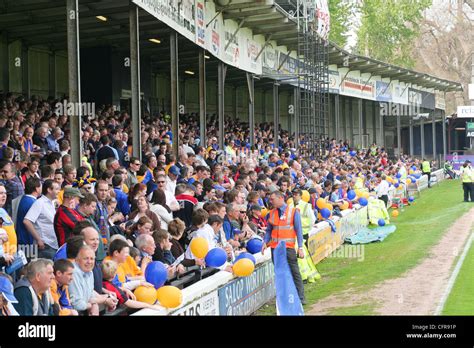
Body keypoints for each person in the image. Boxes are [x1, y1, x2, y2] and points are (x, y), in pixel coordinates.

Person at [261, 190, 306, 305]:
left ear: (281, 198)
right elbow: (269, 230)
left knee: (294, 272)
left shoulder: (293, 211)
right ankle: (285, 299)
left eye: (272, 199)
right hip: (275, 249)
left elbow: (298, 230)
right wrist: (265, 242)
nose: (270, 201)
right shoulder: (271, 213)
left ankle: (301, 298)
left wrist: (300, 247)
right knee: (280, 274)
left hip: (288, 248)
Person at [69, 245, 117, 315]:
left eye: (92, 259)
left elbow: (90, 293)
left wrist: (107, 296)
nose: (89, 262)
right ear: (77, 260)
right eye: (86, 258)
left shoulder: (89, 271)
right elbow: (78, 305)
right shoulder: (74, 272)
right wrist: (102, 301)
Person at [23, 179, 60, 260]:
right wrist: (38, 239)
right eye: (56, 189)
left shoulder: (52, 203)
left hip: (53, 244)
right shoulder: (39, 203)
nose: (59, 191)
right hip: (45, 245)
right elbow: (26, 221)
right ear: (49, 190)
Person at [16, 177, 42, 255]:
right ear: (37, 189)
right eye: (40, 186)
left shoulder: (24, 199)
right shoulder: (33, 203)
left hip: (22, 239)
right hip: (29, 241)